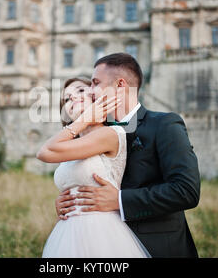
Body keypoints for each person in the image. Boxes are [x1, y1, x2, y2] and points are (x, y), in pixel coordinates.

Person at [54, 53, 201, 258]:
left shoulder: (164, 124)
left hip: (158, 247)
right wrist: (70, 199)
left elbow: (186, 191)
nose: (90, 90)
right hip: (100, 247)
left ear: (120, 85)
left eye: (95, 83)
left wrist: (120, 200)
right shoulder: (96, 132)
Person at [37, 77, 151, 258]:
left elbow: (44, 151)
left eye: (81, 91)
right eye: (66, 99)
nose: (73, 98)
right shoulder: (72, 145)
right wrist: (63, 202)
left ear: (98, 99)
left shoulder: (110, 133)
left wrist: (85, 120)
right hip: (67, 233)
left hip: (101, 233)